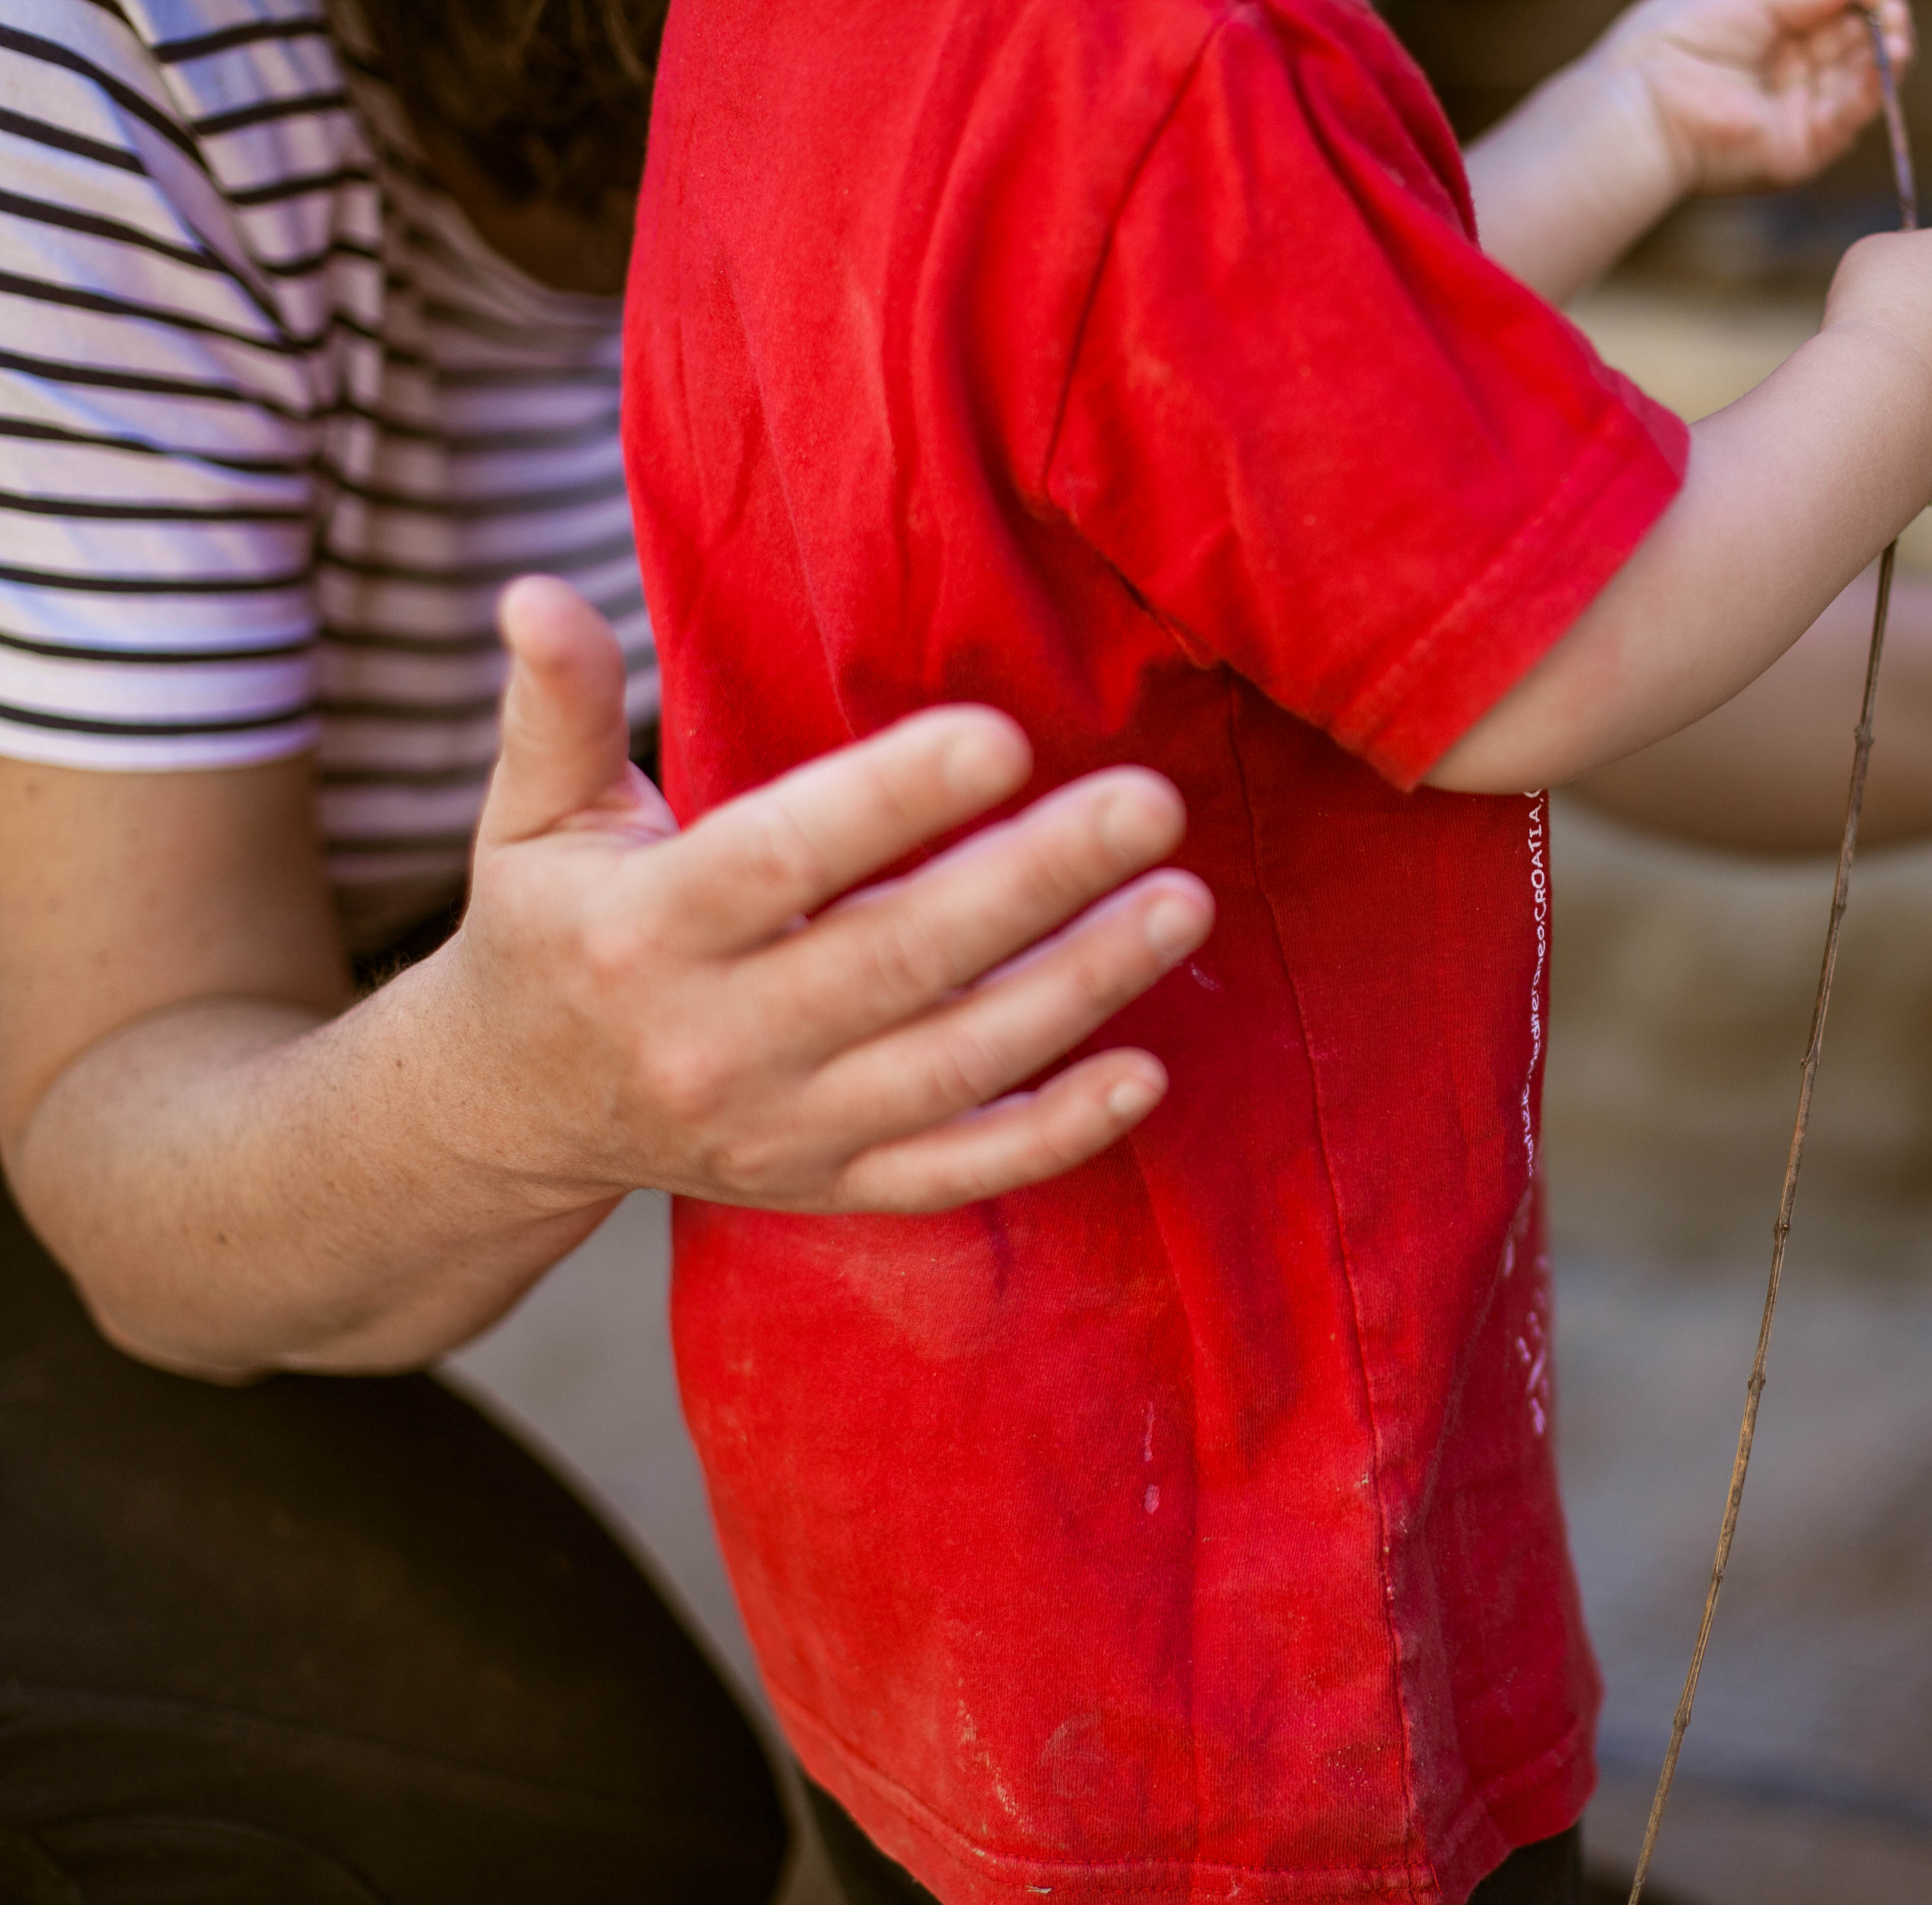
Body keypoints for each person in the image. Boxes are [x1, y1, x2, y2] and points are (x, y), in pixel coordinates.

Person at [621, 1, 1932, 1902]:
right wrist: (1905, 387)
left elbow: (1234, 375)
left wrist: (1624, 119)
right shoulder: (1161, 51)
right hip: (1213, 1514)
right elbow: (1540, 659)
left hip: (920, 1468)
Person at [0, 2, 1217, 1898]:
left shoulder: (1025, 56)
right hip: (84, 1054)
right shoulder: (114, 72)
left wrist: (1841, 413)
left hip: (286, 969)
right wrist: (505, 1101)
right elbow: (122, 1143)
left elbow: (1518, 605)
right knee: (542, 1823)